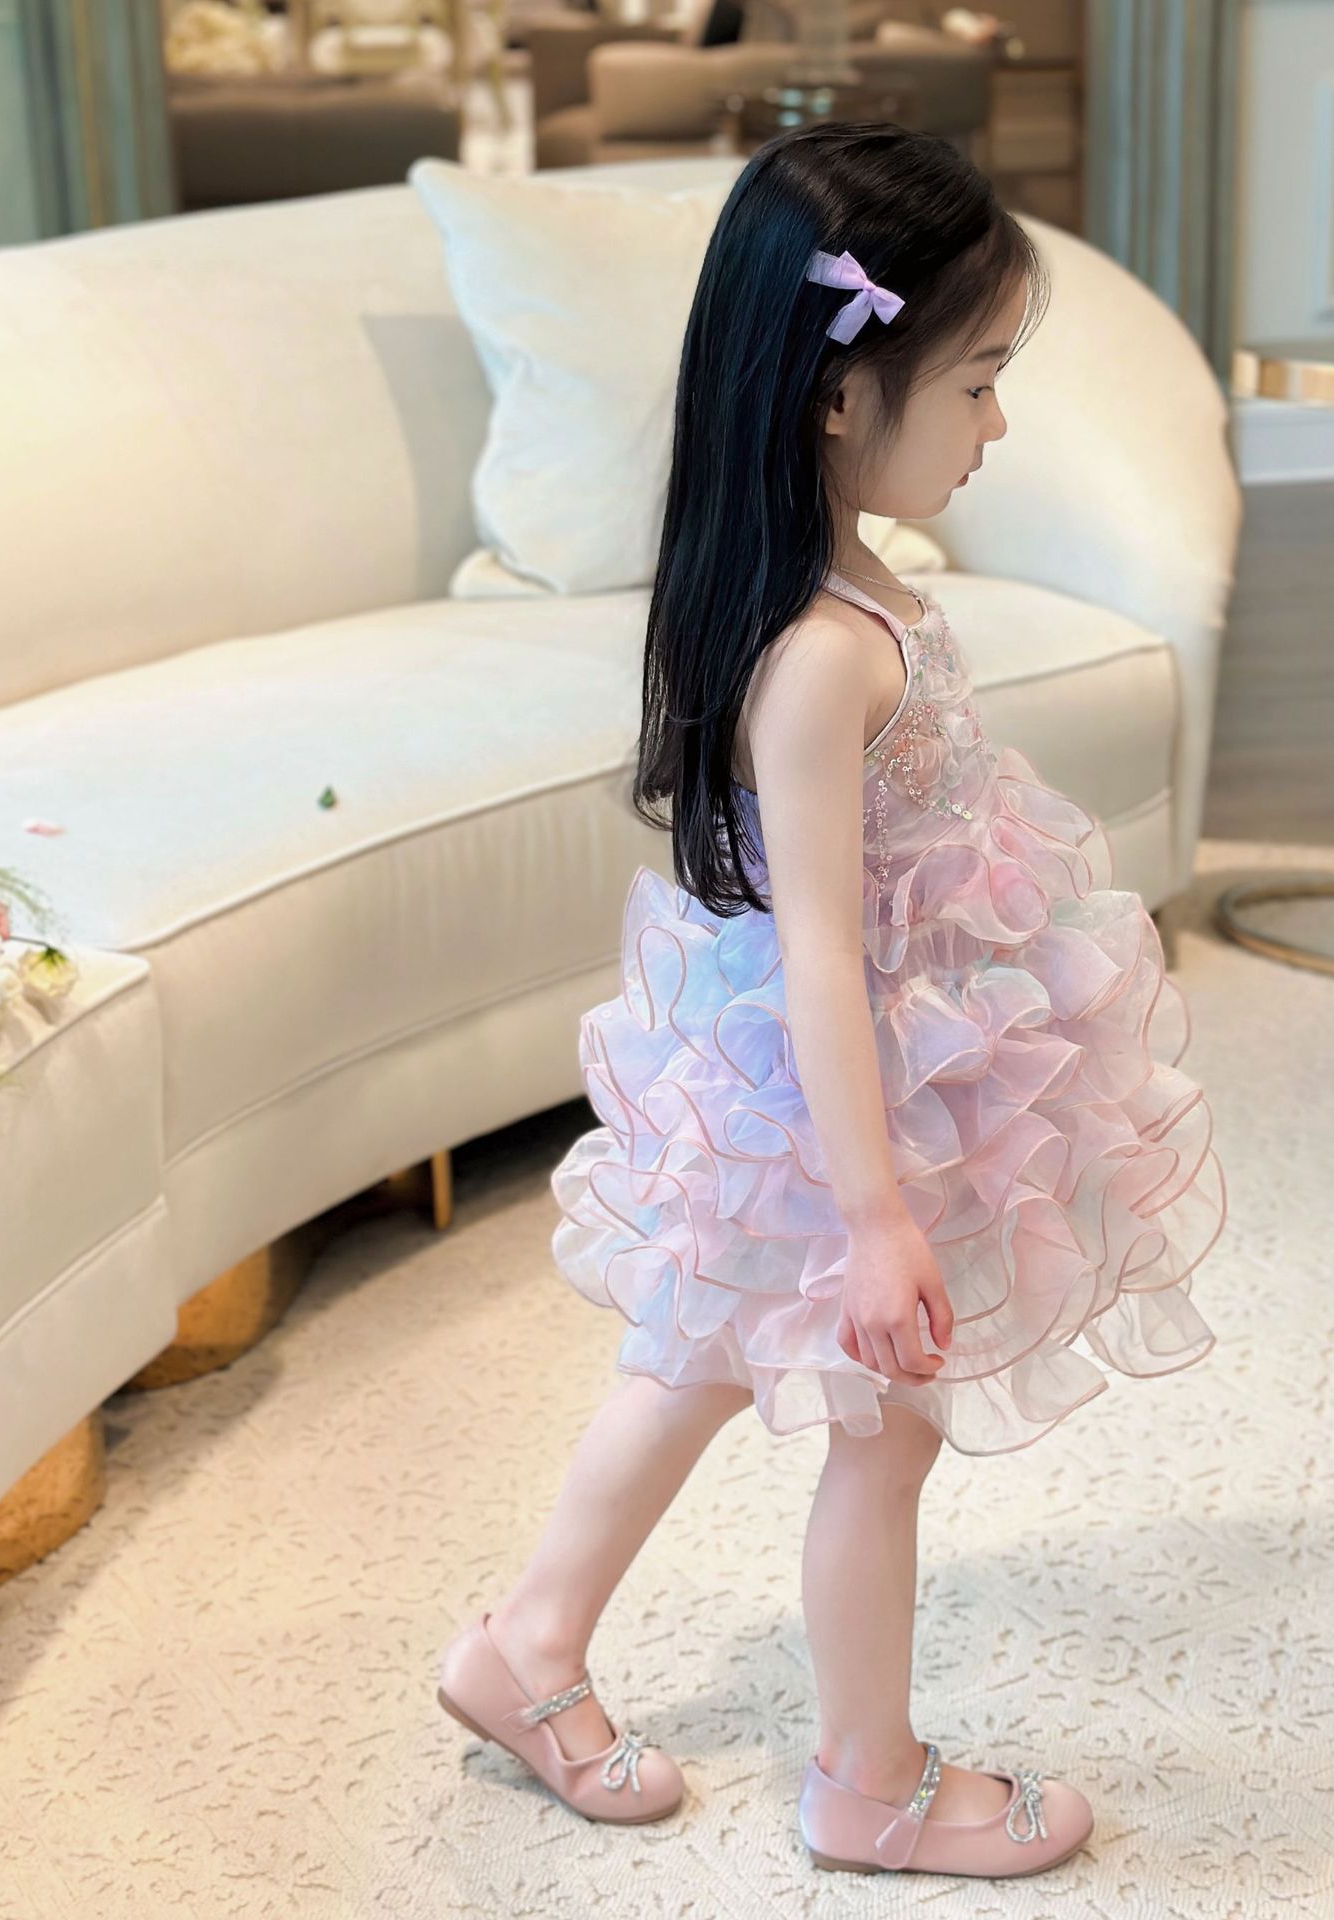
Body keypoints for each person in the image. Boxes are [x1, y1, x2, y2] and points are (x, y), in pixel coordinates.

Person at [437, 119, 1227, 1878]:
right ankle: (869, 1783)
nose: (998, 425)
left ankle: (528, 1643)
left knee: (703, 1358)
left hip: (864, 1063)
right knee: (883, 1432)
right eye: (978, 383)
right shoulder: (818, 654)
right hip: (849, 1090)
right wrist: (877, 1218)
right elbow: (818, 951)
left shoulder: (854, 589)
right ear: (837, 397)